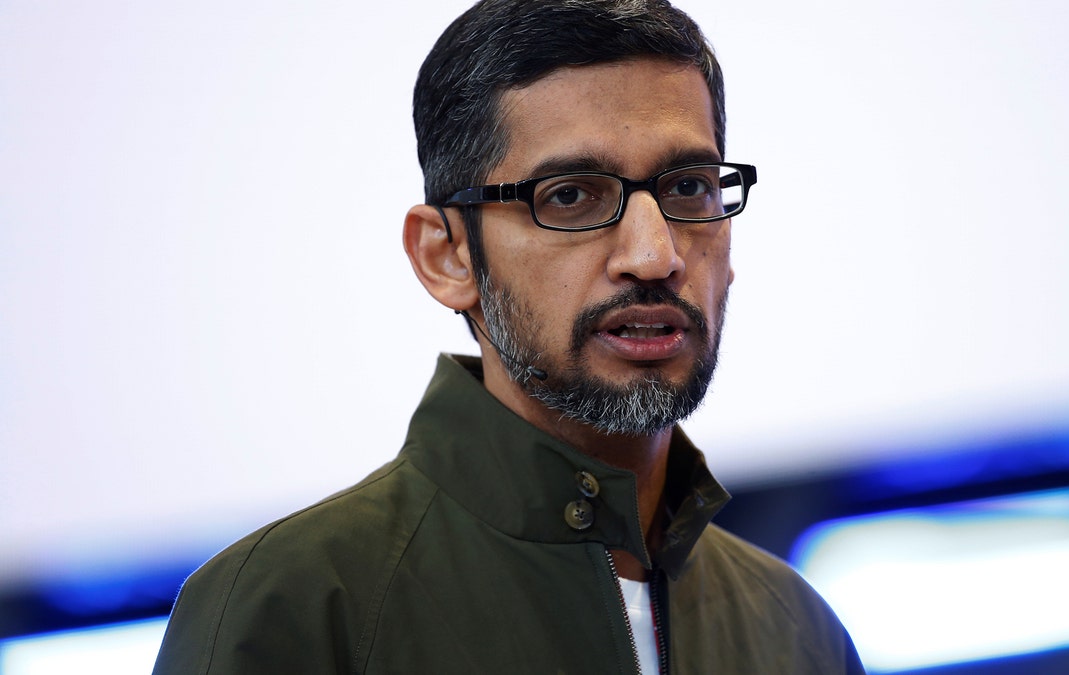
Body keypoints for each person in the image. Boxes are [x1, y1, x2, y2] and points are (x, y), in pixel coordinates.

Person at [152, 1, 864, 673]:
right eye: (571, 196)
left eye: (688, 188)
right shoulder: (292, 611)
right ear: (448, 255)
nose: (654, 255)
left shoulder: (796, 629)